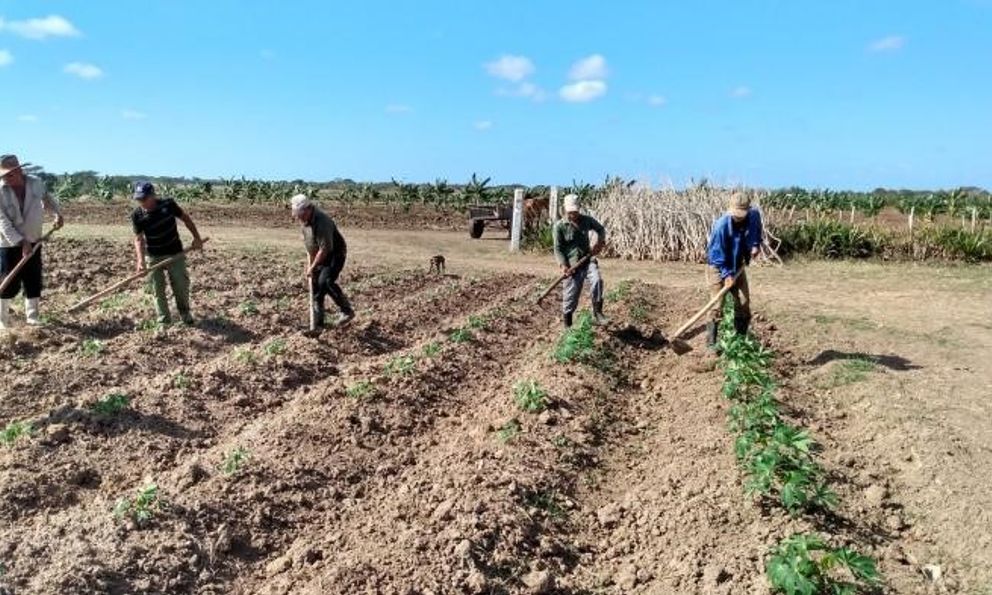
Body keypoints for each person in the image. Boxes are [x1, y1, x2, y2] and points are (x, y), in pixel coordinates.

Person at [0, 154, 64, 328]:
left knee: (33, 278)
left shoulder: (35, 182)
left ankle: (32, 317)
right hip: (9, 242)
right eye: (4, 175)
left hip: (34, 238)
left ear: (19, 170)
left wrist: (57, 214)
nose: (7, 179)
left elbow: (48, 199)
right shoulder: (0, 190)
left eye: (10, 174)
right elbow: (2, 222)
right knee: (8, 281)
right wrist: (21, 242)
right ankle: (2, 320)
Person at [131, 182, 204, 325]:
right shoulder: (137, 215)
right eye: (138, 199)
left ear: (153, 196)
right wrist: (141, 261)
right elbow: (139, 239)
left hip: (174, 252)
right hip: (153, 255)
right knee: (157, 288)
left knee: (180, 284)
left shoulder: (168, 205)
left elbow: (185, 218)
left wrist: (196, 238)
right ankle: (164, 321)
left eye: (144, 199)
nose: (141, 202)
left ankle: (185, 314)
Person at [705, 192, 763, 347]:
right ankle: (711, 344)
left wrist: (755, 245)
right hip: (718, 266)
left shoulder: (754, 216)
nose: (738, 217)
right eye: (736, 214)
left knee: (744, 302)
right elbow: (717, 255)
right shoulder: (721, 226)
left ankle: (740, 341)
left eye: (742, 214)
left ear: (748, 210)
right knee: (717, 304)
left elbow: (756, 231)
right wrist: (727, 275)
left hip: (738, 264)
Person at [291, 194, 354, 329]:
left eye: (300, 215)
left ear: (308, 209)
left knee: (325, 281)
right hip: (319, 254)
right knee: (315, 287)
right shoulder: (304, 222)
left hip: (334, 254)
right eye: (297, 215)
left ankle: (346, 310)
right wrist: (310, 266)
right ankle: (317, 323)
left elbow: (325, 250)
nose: (298, 218)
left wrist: (313, 267)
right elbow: (311, 246)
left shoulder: (322, 222)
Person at [553, 193, 607, 328]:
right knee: (570, 296)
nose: (573, 215)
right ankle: (568, 326)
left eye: (575, 212)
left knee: (597, 280)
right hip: (572, 265)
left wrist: (599, 243)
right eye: (570, 212)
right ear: (565, 210)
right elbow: (558, 249)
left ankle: (598, 312)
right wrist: (563, 265)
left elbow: (600, 229)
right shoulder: (559, 226)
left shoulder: (586, 220)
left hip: (587, 260)